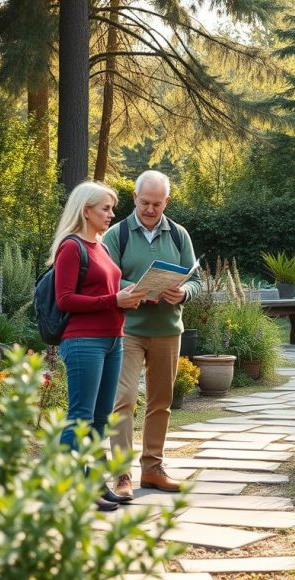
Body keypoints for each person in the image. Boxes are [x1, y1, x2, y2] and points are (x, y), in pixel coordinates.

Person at [49, 181, 146, 511]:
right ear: (85, 210)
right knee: (81, 417)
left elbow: (108, 295)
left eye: (111, 207)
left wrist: (129, 299)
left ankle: (92, 484)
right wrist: (113, 300)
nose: (111, 213)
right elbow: (64, 300)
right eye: (105, 208)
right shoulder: (71, 247)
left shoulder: (101, 247)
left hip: (112, 340)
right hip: (83, 341)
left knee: (101, 418)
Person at [105, 170, 201, 497]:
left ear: (167, 202)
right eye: (144, 202)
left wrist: (184, 292)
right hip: (127, 331)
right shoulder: (116, 235)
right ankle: (121, 476)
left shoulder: (179, 235)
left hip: (167, 330)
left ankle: (153, 469)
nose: (149, 209)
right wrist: (130, 288)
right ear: (134, 198)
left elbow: (196, 280)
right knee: (124, 400)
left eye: (157, 204)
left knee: (161, 402)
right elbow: (102, 282)